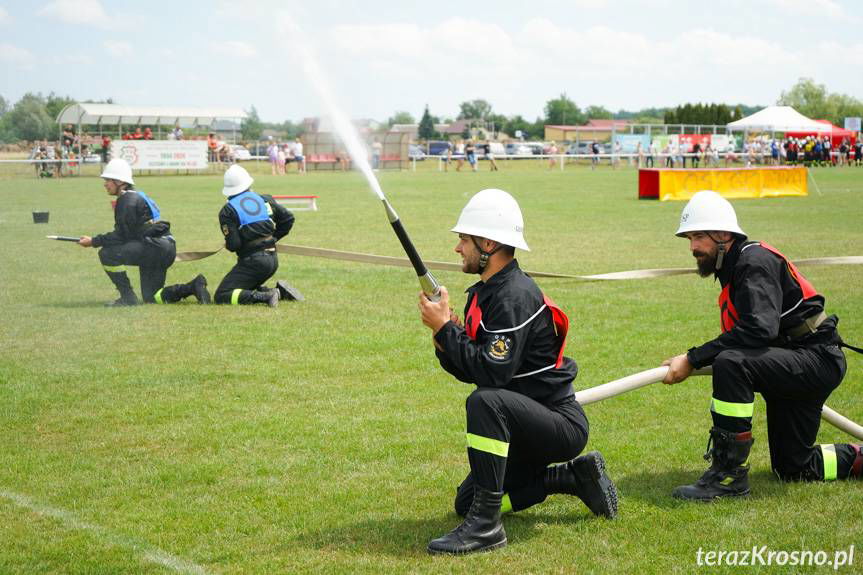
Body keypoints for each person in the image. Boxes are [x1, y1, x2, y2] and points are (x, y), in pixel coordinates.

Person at [418, 189, 618, 555]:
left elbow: (492, 375)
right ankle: (571, 477)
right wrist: (442, 334)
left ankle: (485, 529)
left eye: (463, 239)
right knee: (467, 502)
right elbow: (473, 368)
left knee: (484, 402)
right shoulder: (488, 292)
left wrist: (447, 330)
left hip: (557, 424)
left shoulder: (513, 296)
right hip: (522, 421)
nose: (457, 248)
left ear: (488, 242)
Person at [661, 190, 861, 501]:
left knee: (732, 362)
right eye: (689, 238)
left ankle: (728, 476)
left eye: (699, 236)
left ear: (724, 235)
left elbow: (759, 330)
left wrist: (693, 358)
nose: (693, 247)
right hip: (797, 361)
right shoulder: (736, 266)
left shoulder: (752, 262)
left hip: (814, 360)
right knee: (794, 467)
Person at [77, 159, 210, 306]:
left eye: (108, 180)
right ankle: (193, 286)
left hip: (154, 248)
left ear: (120, 182)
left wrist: (93, 241)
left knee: (107, 254)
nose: (105, 183)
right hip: (162, 247)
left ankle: (127, 298)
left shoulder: (126, 200)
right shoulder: (135, 195)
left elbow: (121, 236)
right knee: (152, 297)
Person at [214, 165, 301, 307]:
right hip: (273, 260)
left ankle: (266, 296)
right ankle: (278, 291)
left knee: (222, 295)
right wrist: (271, 239)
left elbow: (234, 244)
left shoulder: (228, 211)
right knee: (242, 287)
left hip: (253, 262)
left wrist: (229, 242)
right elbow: (288, 219)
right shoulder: (264, 199)